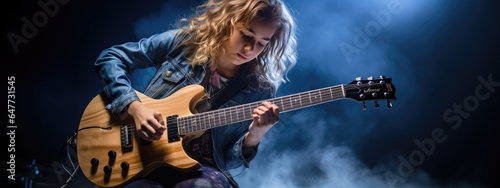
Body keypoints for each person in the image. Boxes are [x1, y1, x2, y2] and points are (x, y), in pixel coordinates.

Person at [94, 0, 297, 187]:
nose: (250, 48)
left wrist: (255, 135)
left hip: (201, 172)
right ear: (227, 22)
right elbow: (111, 58)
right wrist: (134, 107)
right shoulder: (184, 43)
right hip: (143, 157)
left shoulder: (260, 89)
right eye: (246, 34)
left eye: (262, 43)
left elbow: (228, 161)